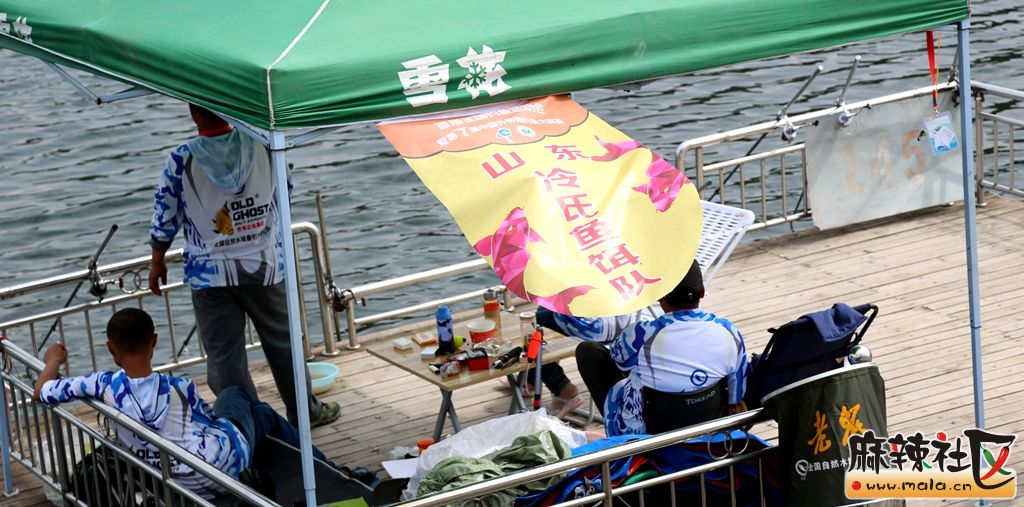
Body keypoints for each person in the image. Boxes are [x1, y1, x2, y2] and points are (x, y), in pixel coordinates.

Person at [148, 104, 338, 427]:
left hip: (209, 274)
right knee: (284, 346)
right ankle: (306, 413)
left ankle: (245, 426)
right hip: (264, 265)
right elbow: (285, 192)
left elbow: (165, 214)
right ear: (227, 106)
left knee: (225, 358)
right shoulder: (264, 145)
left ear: (193, 112)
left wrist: (157, 260)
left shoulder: (181, 160)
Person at [31, 308, 343, 500]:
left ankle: (317, 466)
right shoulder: (179, 387)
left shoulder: (102, 386)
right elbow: (209, 424)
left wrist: (53, 360)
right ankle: (331, 472)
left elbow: (41, 391)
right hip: (219, 472)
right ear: (154, 342)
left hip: (173, 479)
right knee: (238, 396)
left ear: (111, 348)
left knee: (258, 412)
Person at [575, 260, 748, 436]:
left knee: (589, 352)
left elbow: (618, 360)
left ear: (660, 296)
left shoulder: (641, 335)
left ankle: (626, 441)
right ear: (702, 292)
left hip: (651, 430)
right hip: (711, 423)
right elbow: (737, 393)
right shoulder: (728, 330)